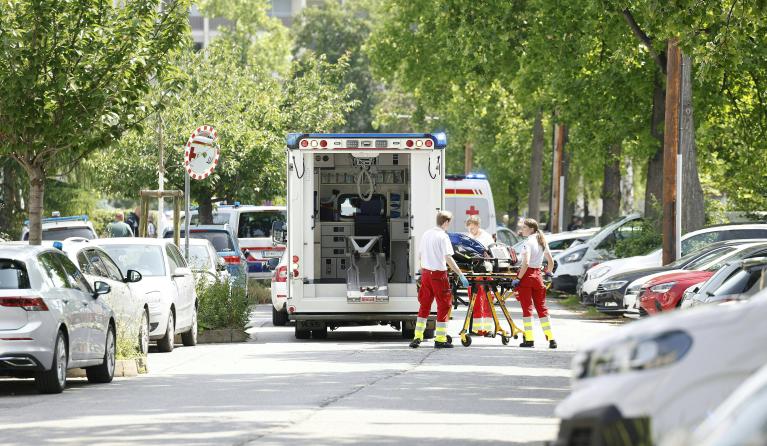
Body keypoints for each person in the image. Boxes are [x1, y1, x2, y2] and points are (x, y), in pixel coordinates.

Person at [410, 210, 469, 349]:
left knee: (424, 305)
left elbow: (419, 255)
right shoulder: (443, 237)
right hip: (438, 275)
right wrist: (460, 274)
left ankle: (417, 337)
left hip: (426, 275)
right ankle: (440, 339)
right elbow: (448, 258)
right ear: (446, 222)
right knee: (444, 305)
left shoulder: (426, 234)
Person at [514, 218, 557, 349]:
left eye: (524, 227)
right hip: (538, 277)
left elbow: (525, 263)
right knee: (542, 309)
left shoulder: (529, 242)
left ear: (531, 229)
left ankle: (529, 339)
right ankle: (551, 339)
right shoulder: (542, 240)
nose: (522, 230)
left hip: (527, 278)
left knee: (527, 309)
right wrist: (548, 273)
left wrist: (518, 279)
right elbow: (551, 262)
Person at [465, 215, 494, 335]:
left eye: (472, 228)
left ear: (477, 226)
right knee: (474, 300)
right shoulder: (469, 237)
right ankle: (476, 328)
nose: (470, 231)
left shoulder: (486, 237)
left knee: (487, 300)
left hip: (485, 271)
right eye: (469, 228)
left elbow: (491, 254)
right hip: (473, 271)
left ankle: (487, 328)